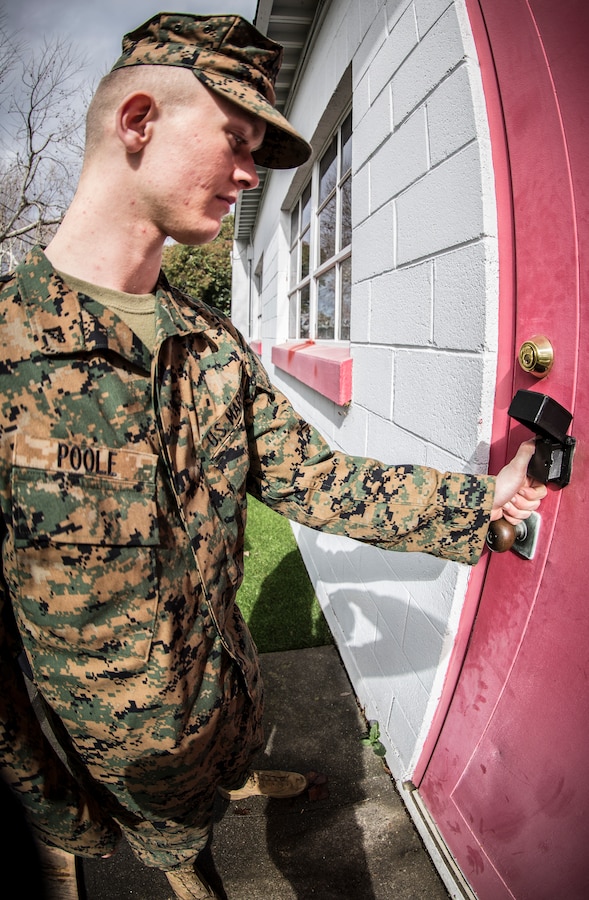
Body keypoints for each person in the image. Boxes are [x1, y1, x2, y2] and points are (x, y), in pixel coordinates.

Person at [0, 12, 546, 900]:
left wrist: (486, 500)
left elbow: (321, 481)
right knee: (189, 862)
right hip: (130, 753)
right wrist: (51, 803)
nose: (250, 175)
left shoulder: (212, 346)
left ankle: (248, 775)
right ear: (138, 121)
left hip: (233, 694)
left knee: (239, 760)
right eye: (236, 140)